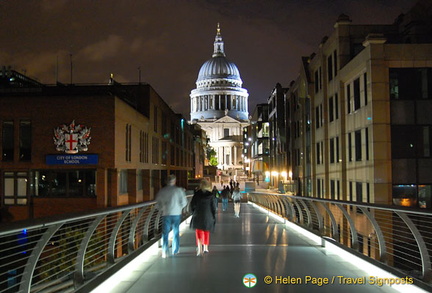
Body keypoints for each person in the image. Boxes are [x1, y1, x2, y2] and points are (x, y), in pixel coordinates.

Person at [155, 174, 188, 258]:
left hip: (166, 213)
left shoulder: (162, 191)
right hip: (176, 213)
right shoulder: (178, 190)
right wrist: (180, 208)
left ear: (166, 181)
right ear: (175, 181)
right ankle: (175, 250)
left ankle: (165, 251)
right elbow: (184, 202)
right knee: (176, 231)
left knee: (165, 232)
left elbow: (157, 203)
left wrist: (161, 208)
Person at [190, 179, 216, 256]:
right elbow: (213, 207)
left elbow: (192, 205)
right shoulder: (211, 195)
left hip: (198, 214)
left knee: (198, 231)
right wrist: (213, 216)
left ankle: (199, 247)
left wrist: (193, 212)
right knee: (206, 231)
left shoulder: (197, 194)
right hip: (208, 215)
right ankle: (205, 247)